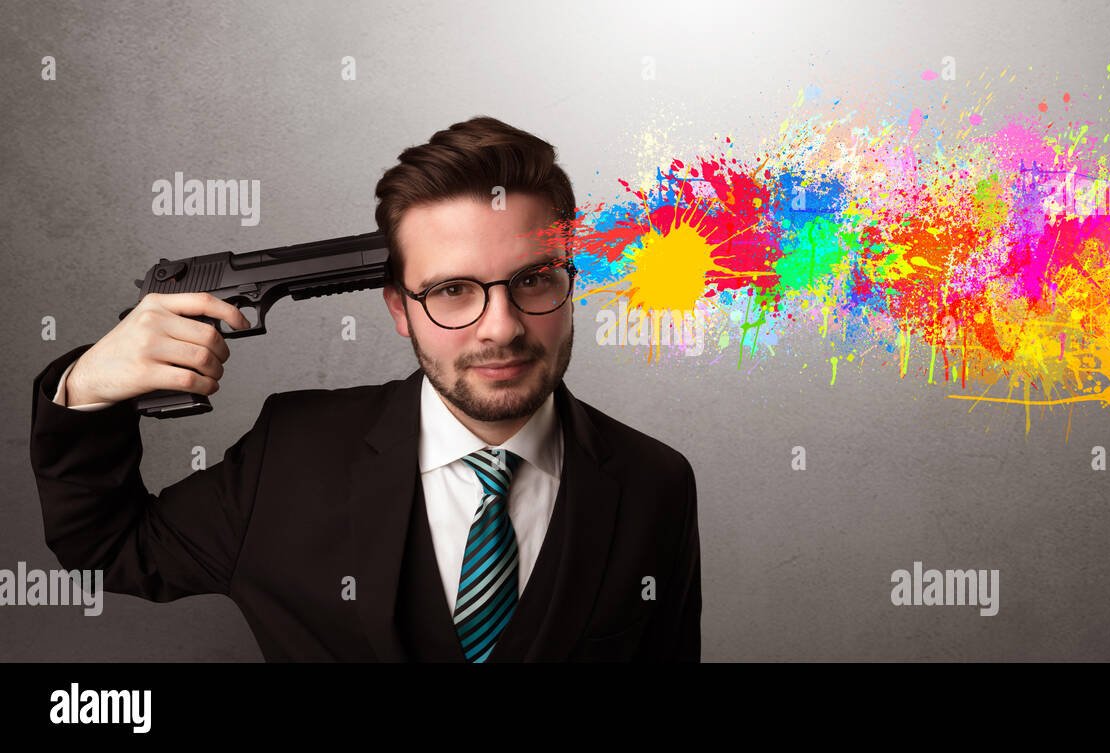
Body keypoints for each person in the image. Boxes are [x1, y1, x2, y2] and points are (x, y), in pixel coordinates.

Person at [28, 116, 702, 662]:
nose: (500, 327)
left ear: (571, 282)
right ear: (398, 306)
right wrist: (86, 387)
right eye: (451, 290)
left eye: (532, 280)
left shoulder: (656, 485)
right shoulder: (287, 457)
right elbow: (106, 547)